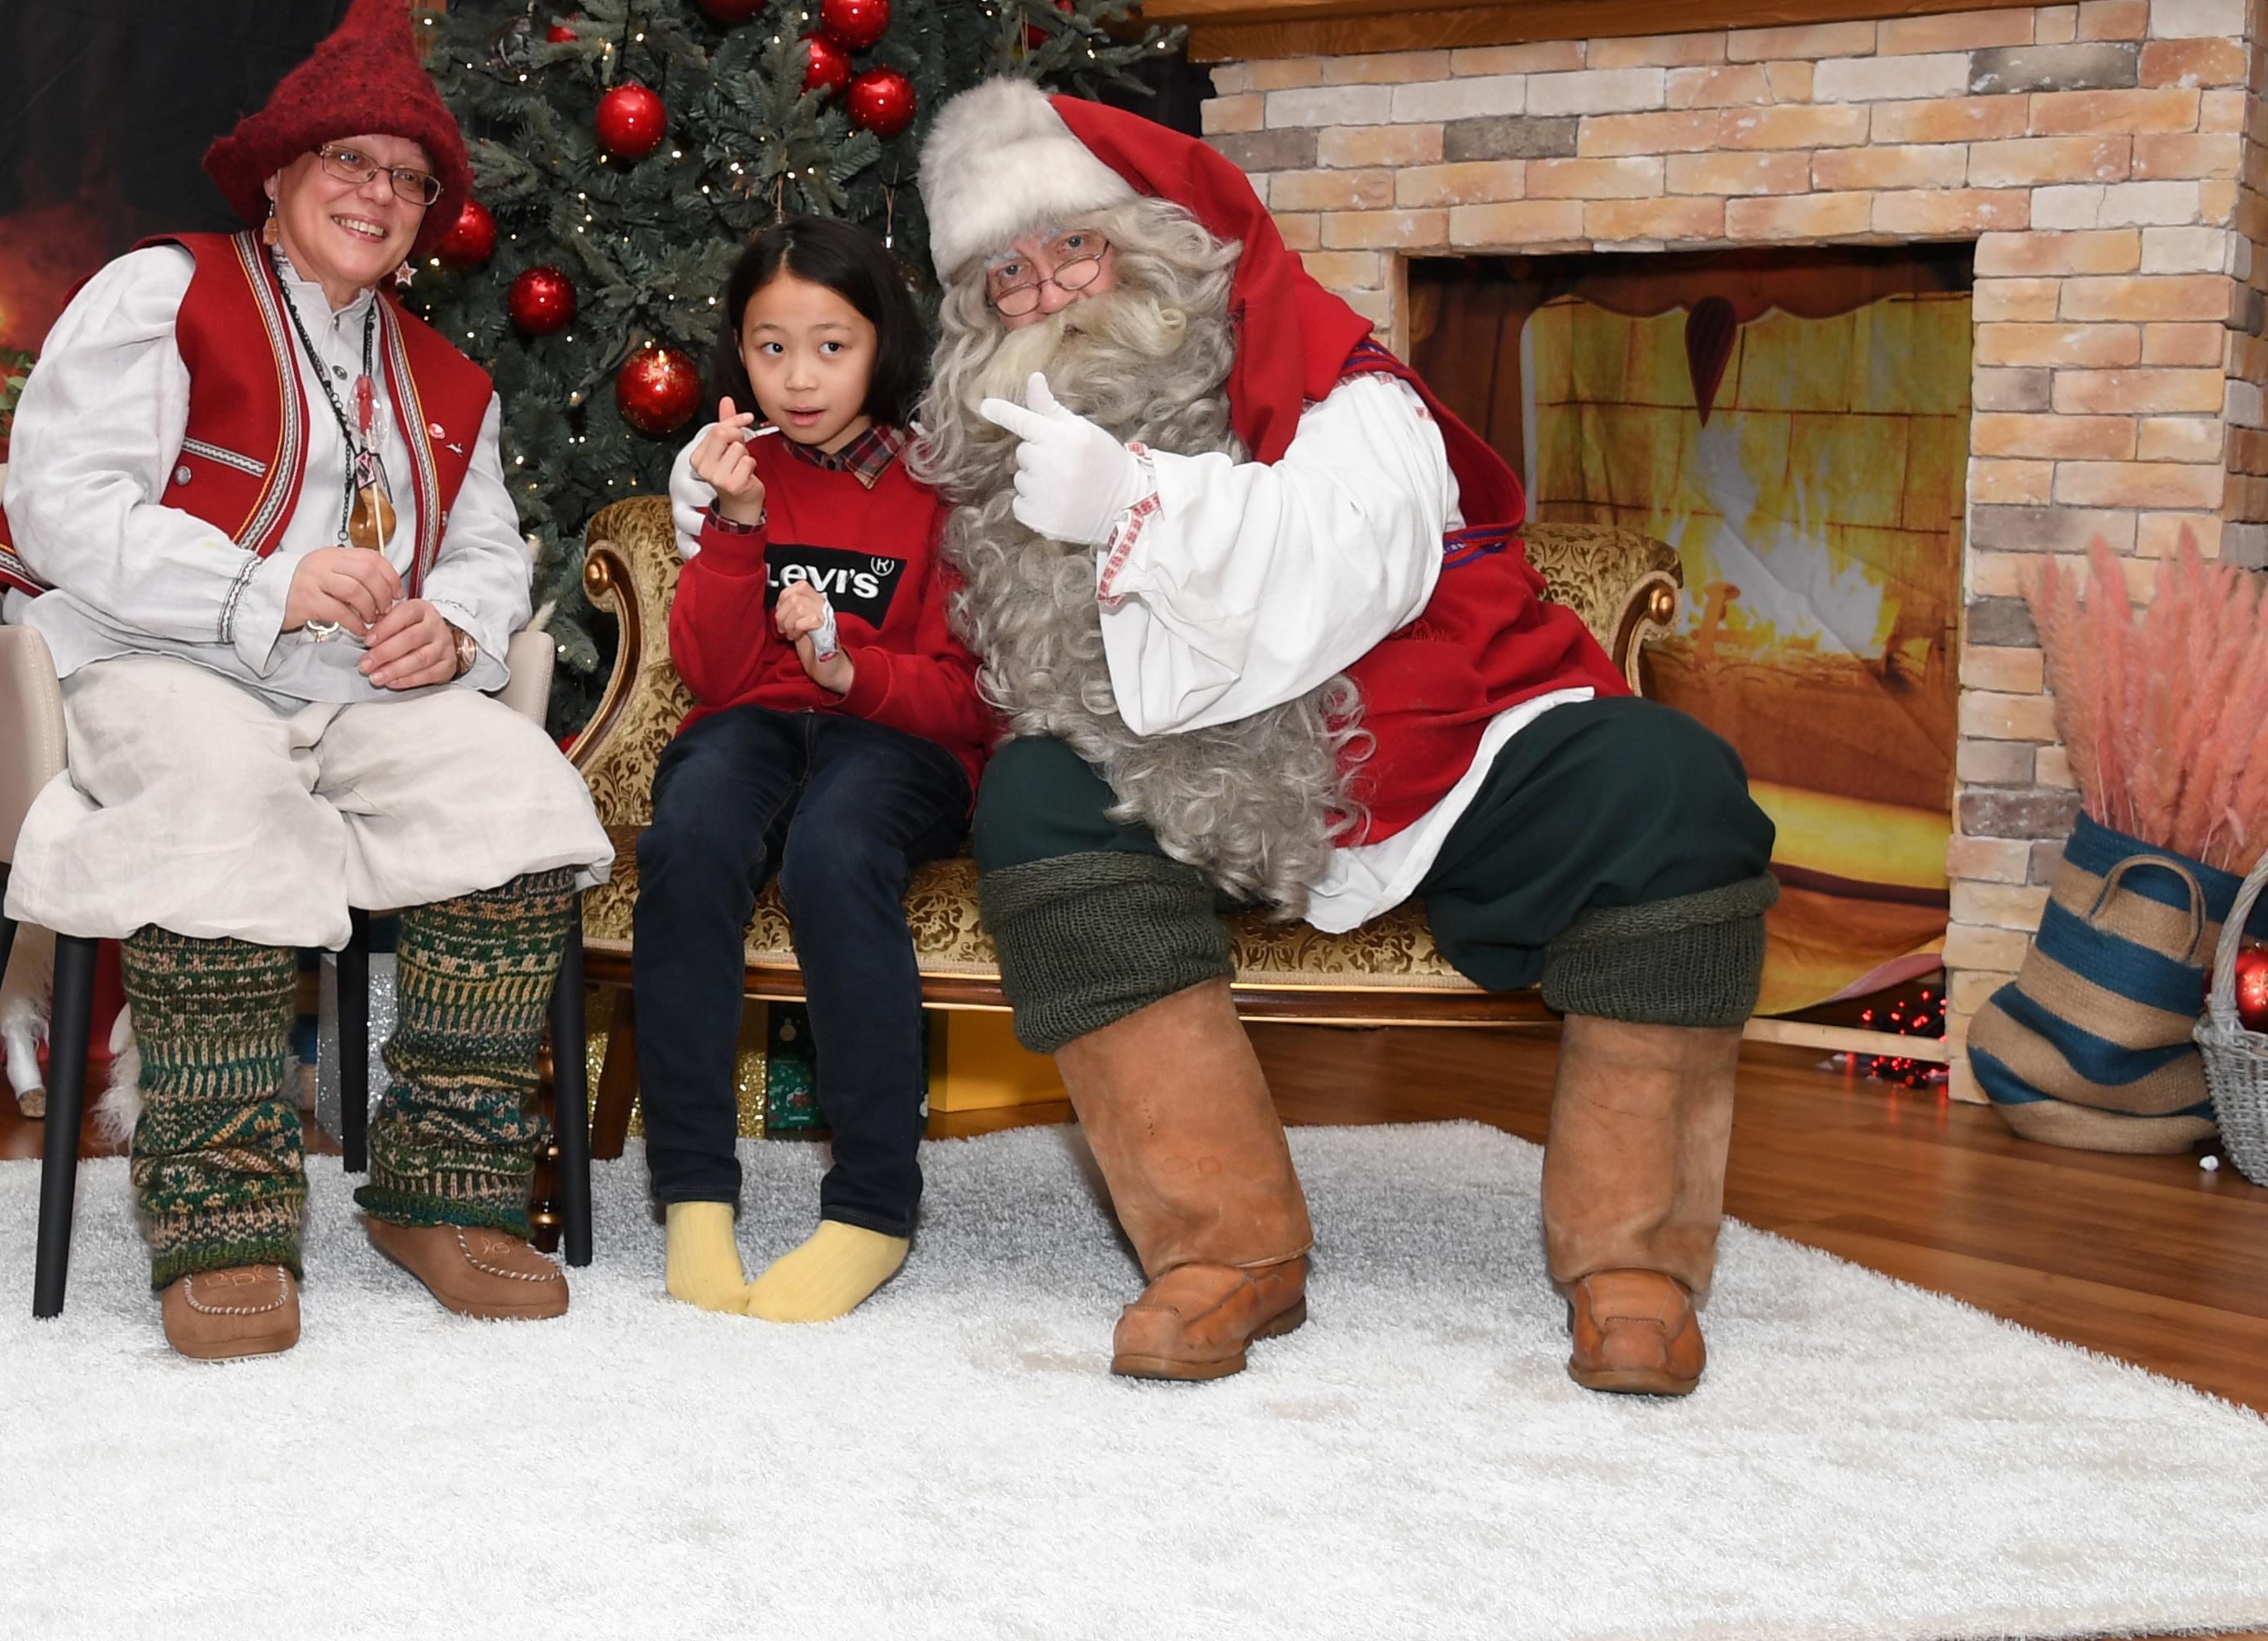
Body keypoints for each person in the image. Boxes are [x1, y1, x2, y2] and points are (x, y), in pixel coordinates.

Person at [678, 78, 1776, 1395]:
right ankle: (1223, 1248)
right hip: (1178, 785)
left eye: (1074, 248)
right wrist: (718, 520)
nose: (1049, 297)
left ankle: (1633, 1265)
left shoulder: (1335, 378)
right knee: (1036, 796)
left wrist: (1137, 499)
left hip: (1424, 747)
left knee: (1674, 787)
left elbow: (1346, 562)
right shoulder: (986, 443)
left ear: (1153, 243)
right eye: (1008, 278)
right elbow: (851, 533)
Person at [0, 0, 611, 1359]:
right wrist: (263, 585)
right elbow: (67, 501)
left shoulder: (450, 381)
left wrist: (448, 622)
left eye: (406, 177)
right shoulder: (163, 291)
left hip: (356, 696)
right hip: (154, 666)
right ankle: (219, 1218)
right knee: (220, 790)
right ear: (280, 171)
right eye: (350, 163)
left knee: (514, 790)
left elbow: (494, 555)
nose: (380, 196)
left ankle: (443, 1193)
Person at [634, 217, 992, 1322]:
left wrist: (849, 670)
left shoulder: (945, 483)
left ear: (882, 343)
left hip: (900, 738)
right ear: (738, 353)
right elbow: (713, 673)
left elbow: (972, 694)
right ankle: (694, 1196)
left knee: (839, 851)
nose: (798, 378)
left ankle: (872, 1211)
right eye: (769, 347)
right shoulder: (742, 474)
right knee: (690, 831)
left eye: (830, 346)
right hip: (761, 727)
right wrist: (738, 526)